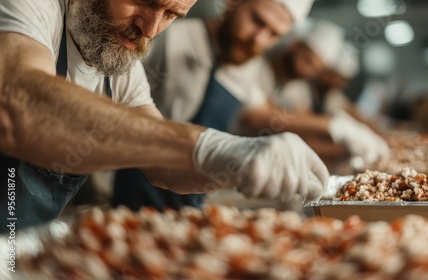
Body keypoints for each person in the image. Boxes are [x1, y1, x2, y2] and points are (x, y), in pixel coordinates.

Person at [0, 0, 329, 232]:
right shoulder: (32, 7)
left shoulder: (120, 67)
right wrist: (203, 145)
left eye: (172, 13)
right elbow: (20, 104)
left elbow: (162, 166)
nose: (151, 28)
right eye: (142, 1)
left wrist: (237, 162)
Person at [112, 0, 317, 211]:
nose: (258, 39)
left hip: (189, 210)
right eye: (256, 20)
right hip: (123, 198)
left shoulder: (248, 67)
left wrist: (334, 128)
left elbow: (260, 111)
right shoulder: (168, 36)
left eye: (274, 34)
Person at [239, 20, 390, 168]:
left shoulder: (298, 88)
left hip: (266, 163)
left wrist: (340, 152)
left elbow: (302, 133)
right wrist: (334, 126)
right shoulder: (254, 67)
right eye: (307, 60)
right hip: (236, 158)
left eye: (316, 70)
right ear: (295, 44)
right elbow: (258, 117)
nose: (307, 71)